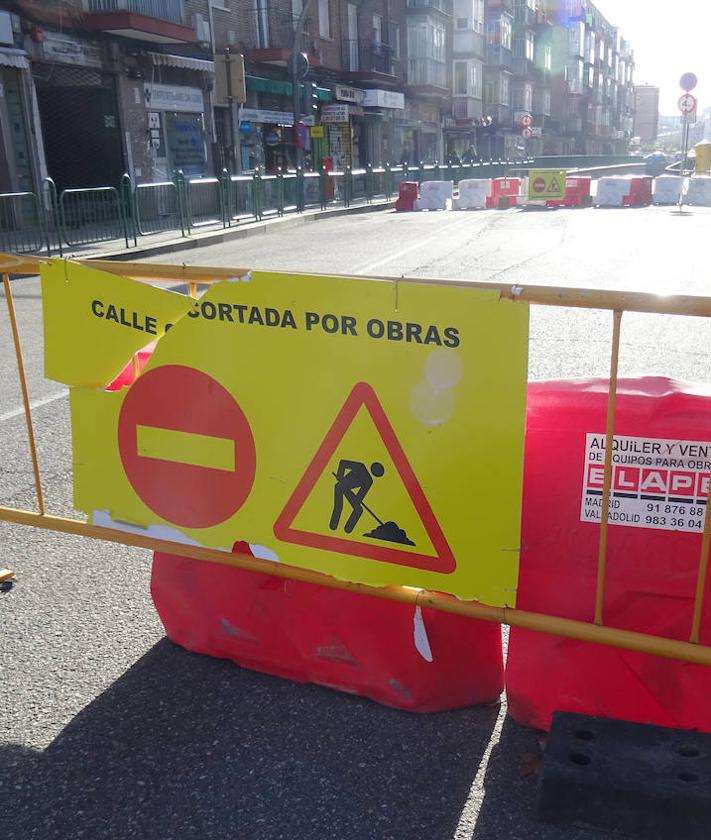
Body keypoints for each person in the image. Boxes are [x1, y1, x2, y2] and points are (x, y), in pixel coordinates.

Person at [330, 460, 384, 534]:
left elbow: (361, 494)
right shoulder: (360, 467)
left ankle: (348, 529)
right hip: (341, 486)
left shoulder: (369, 480)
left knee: (358, 509)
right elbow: (343, 463)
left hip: (348, 490)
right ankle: (333, 525)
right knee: (338, 506)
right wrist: (340, 475)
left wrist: (357, 499)